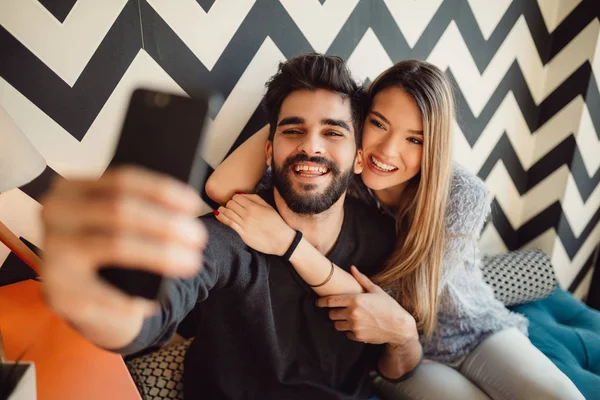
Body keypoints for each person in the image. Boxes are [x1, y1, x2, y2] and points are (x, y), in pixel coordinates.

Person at [40, 53, 424, 399]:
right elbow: (146, 320)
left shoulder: (384, 237)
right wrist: (103, 304)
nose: (312, 146)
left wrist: (404, 336)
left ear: (359, 158)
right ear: (269, 151)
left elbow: (397, 367)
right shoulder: (225, 238)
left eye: (333, 132)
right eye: (292, 130)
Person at [206, 59, 585, 399]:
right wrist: (298, 116)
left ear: (433, 147)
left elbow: (403, 307)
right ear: (358, 123)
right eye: (377, 123)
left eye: (414, 139)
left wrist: (289, 244)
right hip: (396, 352)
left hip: (473, 331)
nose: (387, 152)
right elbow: (222, 190)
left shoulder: (461, 195)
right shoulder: (342, 176)